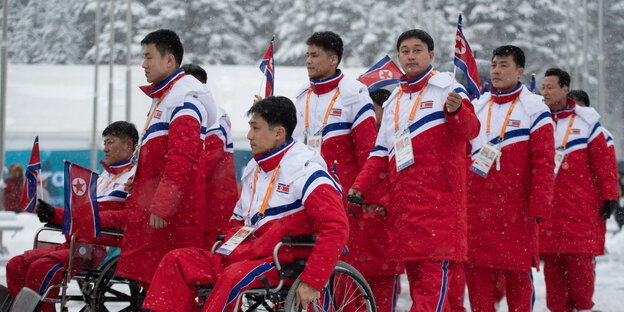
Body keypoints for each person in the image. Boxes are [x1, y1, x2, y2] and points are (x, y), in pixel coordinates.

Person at [141, 96, 349, 312]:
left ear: (278, 133)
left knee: (234, 276)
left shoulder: (307, 170)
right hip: (242, 254)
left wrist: (312, 280)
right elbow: (237, 221)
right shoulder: (254, 169)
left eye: (255, 128)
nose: (249, 136)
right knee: (176, 260)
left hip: (281, 260)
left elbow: (335, 227)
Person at [349, 29, 480, 311]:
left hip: (440, 208)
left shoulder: (448, 88)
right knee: (421, 284)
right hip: (406, 210)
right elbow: (380, 154)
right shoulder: (394, 100)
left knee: (430, 291)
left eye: (417, 50)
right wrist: (360, 186)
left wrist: (457, 112)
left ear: (431, 55)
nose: (410, 56)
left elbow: (471, 132)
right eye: (405, 50)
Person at [115, 29, 217, 287]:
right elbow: (160, 158)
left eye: (149, 57)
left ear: (170, 60)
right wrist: (139, 179)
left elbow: (182, 159)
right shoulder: (166, 97)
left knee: (168, 288)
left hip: (172, 218)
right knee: (152, 286)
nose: (143, 64)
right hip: (156, 210)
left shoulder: (184, 101)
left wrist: (163, 205)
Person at [5, 121, 138, 312]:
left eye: (111, 142)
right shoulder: (102, 178)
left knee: (41, 268)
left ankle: (41, 309)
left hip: (101, 247)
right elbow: (80, 215)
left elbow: (126, 219)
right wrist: (53, 213)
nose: (105, 149)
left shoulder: (135, 177)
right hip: (78, 243)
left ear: (128, 145)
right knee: (15, 265)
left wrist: (91, 219)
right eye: (105, 143)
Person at [290, 30, 381, 305]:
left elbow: (369, 152)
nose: (308, 61)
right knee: (311, 267)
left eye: (314, 55)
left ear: (333, 59)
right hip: (307, 196)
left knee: (340, 272)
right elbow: (293, 150)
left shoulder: (354, 94)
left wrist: (362, 192)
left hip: (343, 198)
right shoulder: (302, 95)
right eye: (307, 55)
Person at [464, 45, 555, 312]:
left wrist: (540, 203)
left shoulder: (535, 109)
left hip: (517, 211)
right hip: (477, 210)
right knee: (478, 280)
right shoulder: (479, 106)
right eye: (494, 65)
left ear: (520, 71)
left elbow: (544, 161)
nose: (496, 70)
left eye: (504, 65)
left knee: (518, 281)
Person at [539, 68, 618, 312]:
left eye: (550, 87)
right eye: (543, 87)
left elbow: (604, 165)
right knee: (555, 291)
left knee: (582, 289)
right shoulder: (538, 120)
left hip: (580, 215)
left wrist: (609, 197)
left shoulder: (587, 124)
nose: (545, 92)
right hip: (549, 218)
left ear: (565, 89)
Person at [181, 63, 239, 245]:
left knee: (205, 261)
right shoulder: (186, 117)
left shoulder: (216, 124)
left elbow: (200, 166)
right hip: (193, 205)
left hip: (212, 209)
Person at [362, 88, 403, 311]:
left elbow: (405, 178)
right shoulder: (361, 134)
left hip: (384, 227)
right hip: (364, 229)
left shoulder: (397, 137)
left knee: (384, 296)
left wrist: (385, 201)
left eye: (373, 108)